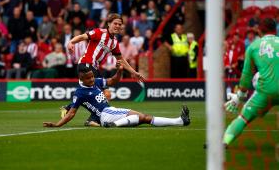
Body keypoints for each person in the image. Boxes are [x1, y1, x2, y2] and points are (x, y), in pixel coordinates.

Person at [43, 62, 190, 128]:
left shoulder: (96, 82)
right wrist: (57, 124)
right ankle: (112, 125)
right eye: (88, 78)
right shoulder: (79, 93)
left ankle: (179, 121)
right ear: (81, 79)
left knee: (143, 118)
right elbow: (71, 114)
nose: (92, 79)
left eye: (92, 76)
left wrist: (119, 71)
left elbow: (113, 81)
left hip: (109, 112)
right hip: (105, 113)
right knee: (142, 117)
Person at [65, 13, 145, 126]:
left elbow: (121, 59)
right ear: (108, 24)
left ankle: (82, 114)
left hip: (95, 67)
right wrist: (71, 42)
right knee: (104, 93)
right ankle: (87, 116)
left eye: (120, 24)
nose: (117, 26)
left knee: (105, 94)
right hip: (86, 64)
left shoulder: (114, 42)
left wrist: (134, 72)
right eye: (115, 23)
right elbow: (83, 36)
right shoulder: (99, 32)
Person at [223, 18, 279, 147]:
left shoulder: (253, 46)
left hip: (266, 92)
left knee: (243, 118)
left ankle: (223, 143)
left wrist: (239, 97)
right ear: (275, 29)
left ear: (259, 30)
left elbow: (246, 76)